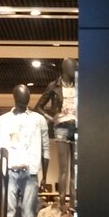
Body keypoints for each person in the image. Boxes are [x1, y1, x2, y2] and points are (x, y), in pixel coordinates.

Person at [0, 85, 50, 217]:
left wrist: (44, 175)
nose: (24, 98)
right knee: (9, 216)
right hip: (9, 170)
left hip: (30, 171)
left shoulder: (38, 119)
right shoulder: (3, 120)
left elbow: (45, 149)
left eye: (26, 95)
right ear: (14, 97)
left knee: (28, 216)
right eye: (20, 95)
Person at [34, 57, 78, 207]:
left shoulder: (79, 85)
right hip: (62, 128)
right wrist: (52, 119)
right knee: (63, 168)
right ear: (65, 68)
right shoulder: (54, 86)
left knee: (75, 169)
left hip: (77, 127)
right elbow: (38, 106)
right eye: (73, 67)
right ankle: (62, 204)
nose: (75, 70)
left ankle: (73, 204)